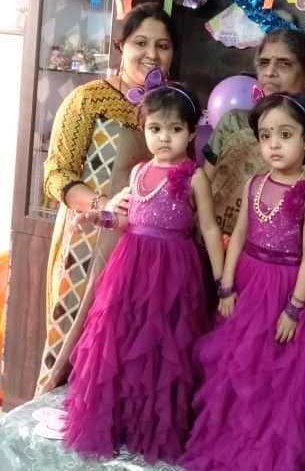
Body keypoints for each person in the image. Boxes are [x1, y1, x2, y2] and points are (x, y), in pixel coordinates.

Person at [61, 77, 224, 464]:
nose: (164, 138)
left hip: (173, 271)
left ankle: (150, 426)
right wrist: (95, 218)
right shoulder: (137, 173)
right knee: (121, 339)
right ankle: (119, 420)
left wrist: (222, 279)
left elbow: (208, 228)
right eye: (155, 128)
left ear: (191, 132)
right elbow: (125, 220)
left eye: (175, 129)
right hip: (130, 266)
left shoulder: (194, 176)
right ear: (143, 129)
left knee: (162, 344)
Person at [180, 93, 305, 471]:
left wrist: (294, 309)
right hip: (249, 285)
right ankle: (234, 446)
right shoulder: (253, 183)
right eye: (266, 136)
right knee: (238, 369)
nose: (274, 144)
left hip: (288, 290)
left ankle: (266, 456)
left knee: (278, 376)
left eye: (285, 135)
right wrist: (226, 285)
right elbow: (237, 236)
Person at [38, 2, 177, 392]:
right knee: (71, 353)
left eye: (163, 45)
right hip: (88, 245)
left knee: (124, 357)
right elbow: (56, 174)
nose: (152, 54)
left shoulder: (172, 110)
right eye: (141, 42)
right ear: (121, 46)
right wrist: (103, 205)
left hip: (146, 255)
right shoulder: (89, 100)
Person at [203, 28, 305, 236]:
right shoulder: (233, 123)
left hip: (283, 255)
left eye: (284, 64)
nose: (269, 72)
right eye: (264, 63)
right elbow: (202, 191)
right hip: (211, 244)